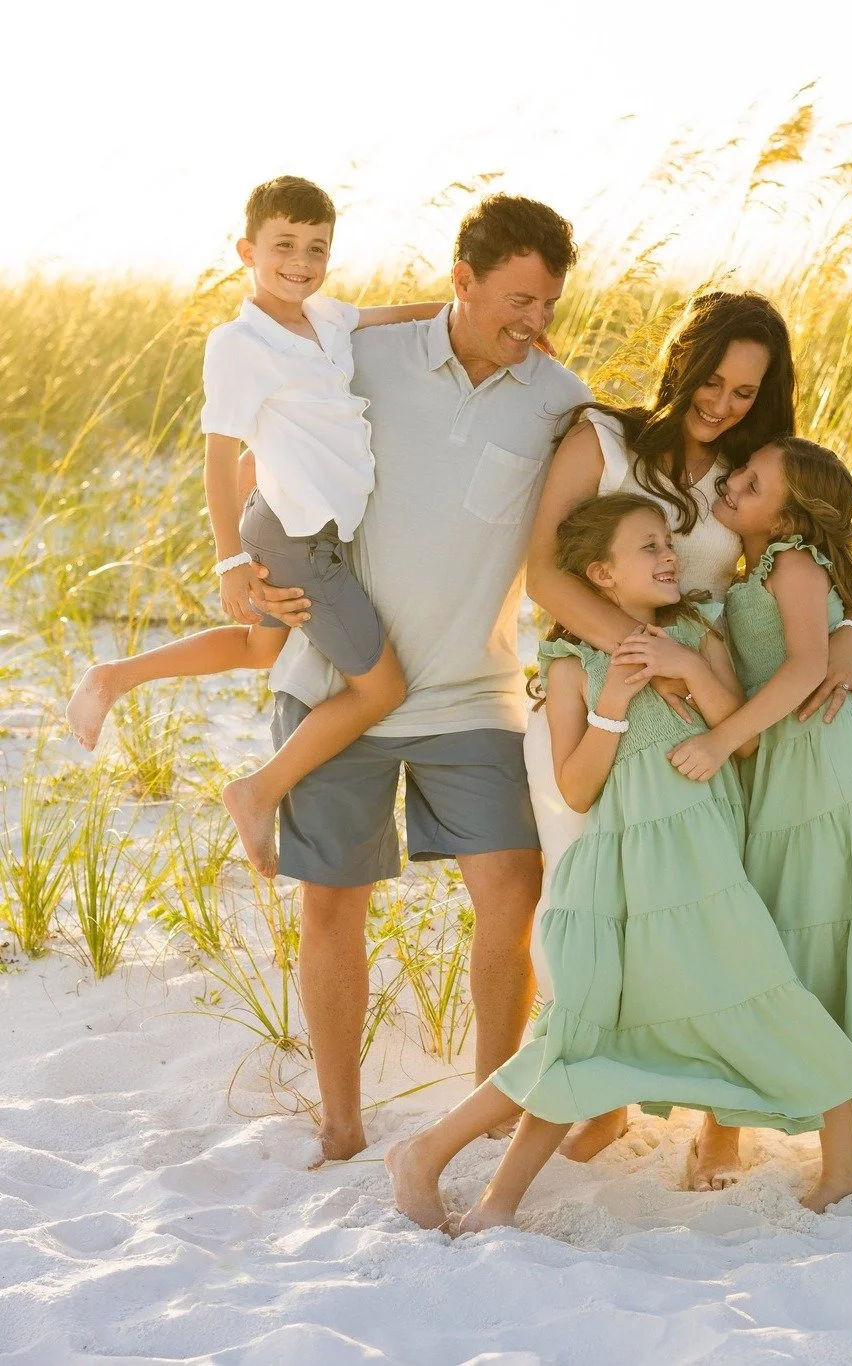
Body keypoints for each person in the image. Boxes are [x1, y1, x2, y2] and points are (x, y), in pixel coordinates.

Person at [385, 494, 852, 1231]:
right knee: (579, 1036)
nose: (668, 555)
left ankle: (842, 1169)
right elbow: (577, 784)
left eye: (666, 542)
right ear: (599, 575)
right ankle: (463, 1180)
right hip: (617, 875)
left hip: (704, 869)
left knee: (771, 997)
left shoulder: (699, 630)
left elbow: (737, 740)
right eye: (647, 546)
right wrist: (614, 701)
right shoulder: (570, 662)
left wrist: (682, 664)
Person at [253, 194, 592, 1163]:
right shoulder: (361, 359)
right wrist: (244, 566)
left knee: (512, 889)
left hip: (470, 692)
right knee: (330, 902)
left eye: (548, 306)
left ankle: (486, 1110)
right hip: (337, 678)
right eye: (515, 300)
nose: (532, 323)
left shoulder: (560, 401)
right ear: (461, 279)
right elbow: (255, 425)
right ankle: (341, 1121)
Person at [523, 291, 852, 1186]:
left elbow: (813, 573)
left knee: (720, 912)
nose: (722, 404)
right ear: (683, 363)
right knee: (591, 912)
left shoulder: (751, 475)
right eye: (711, 381)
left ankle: (721, 1120)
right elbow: (540, 575)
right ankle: (597, 1095)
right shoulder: (600, 439)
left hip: (719, 722)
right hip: (602, 705)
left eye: (745, 392)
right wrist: (642, 657)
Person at [65, 176, 441, 877]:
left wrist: (470, 312)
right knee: (381, 689)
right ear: (248, 250)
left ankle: (115, 676)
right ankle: (257, 790)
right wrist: (229, 560)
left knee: (260, 648)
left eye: (317, 247)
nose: (300, 261)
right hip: (295, 537)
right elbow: (218, 456)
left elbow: (389, 316)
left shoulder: (323, 318)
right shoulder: (239, 343)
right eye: (284, 245)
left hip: (297, 522)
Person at [654, 437, 852, 1211]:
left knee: (812, 959)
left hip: (825, 776)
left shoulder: (792, 560)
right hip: (797, 773)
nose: (733, 483)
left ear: (792, 513)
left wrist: (719, 738)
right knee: (806, 955)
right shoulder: (760, 567)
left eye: (753, 482)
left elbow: (803, 667)